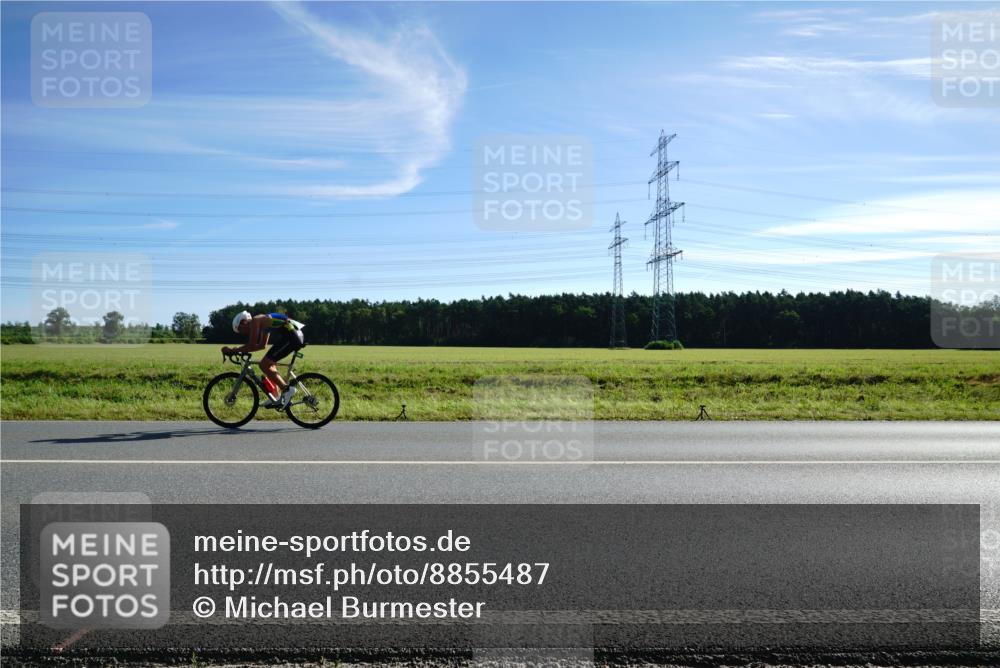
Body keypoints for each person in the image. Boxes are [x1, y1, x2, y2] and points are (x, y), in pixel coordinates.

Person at [222, 311, 305, 408]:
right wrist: (238, 350)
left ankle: (287, 390)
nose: (242, 333)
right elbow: (262, 345)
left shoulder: (255, 321)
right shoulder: (263, 324)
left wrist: (233, 350)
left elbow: (251, 345)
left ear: (244, 322)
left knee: (264, 364)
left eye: (240, 330)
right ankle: (275, 396)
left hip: (292, 337)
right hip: (293, 335)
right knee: (270, 364)